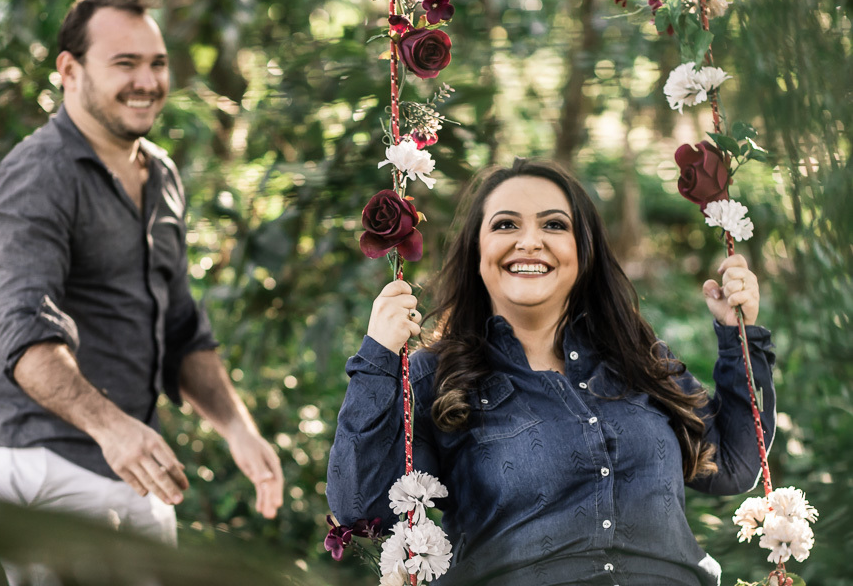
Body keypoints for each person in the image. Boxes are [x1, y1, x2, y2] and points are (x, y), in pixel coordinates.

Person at [327, 160, 776, 586]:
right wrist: (377, 360)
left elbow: (734, 465)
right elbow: (361, 510)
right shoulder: (436, 378)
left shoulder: (637, 359)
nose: (529, 241)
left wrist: (739, 333)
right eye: (505, 224)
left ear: (583, 249)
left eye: (554, 225)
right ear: (476, 251)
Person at [0, 0, 283, 569]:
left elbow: (182, 325)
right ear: (69, 69)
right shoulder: (36, 177)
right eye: (124, 64)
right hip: (46, 460)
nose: (147, 81)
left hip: (133, 465)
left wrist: (237, 429)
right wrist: (112, 429)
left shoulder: (161, 173)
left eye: (157, 63)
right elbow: (24, 335)